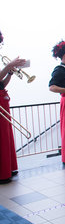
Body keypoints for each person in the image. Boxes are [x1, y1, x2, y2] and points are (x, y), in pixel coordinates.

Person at [0, 30, 26, 184]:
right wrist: (8, 65)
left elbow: (1, 84)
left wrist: (9, 72)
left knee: (5, 136)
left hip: (2, 98)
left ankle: (7, 168)